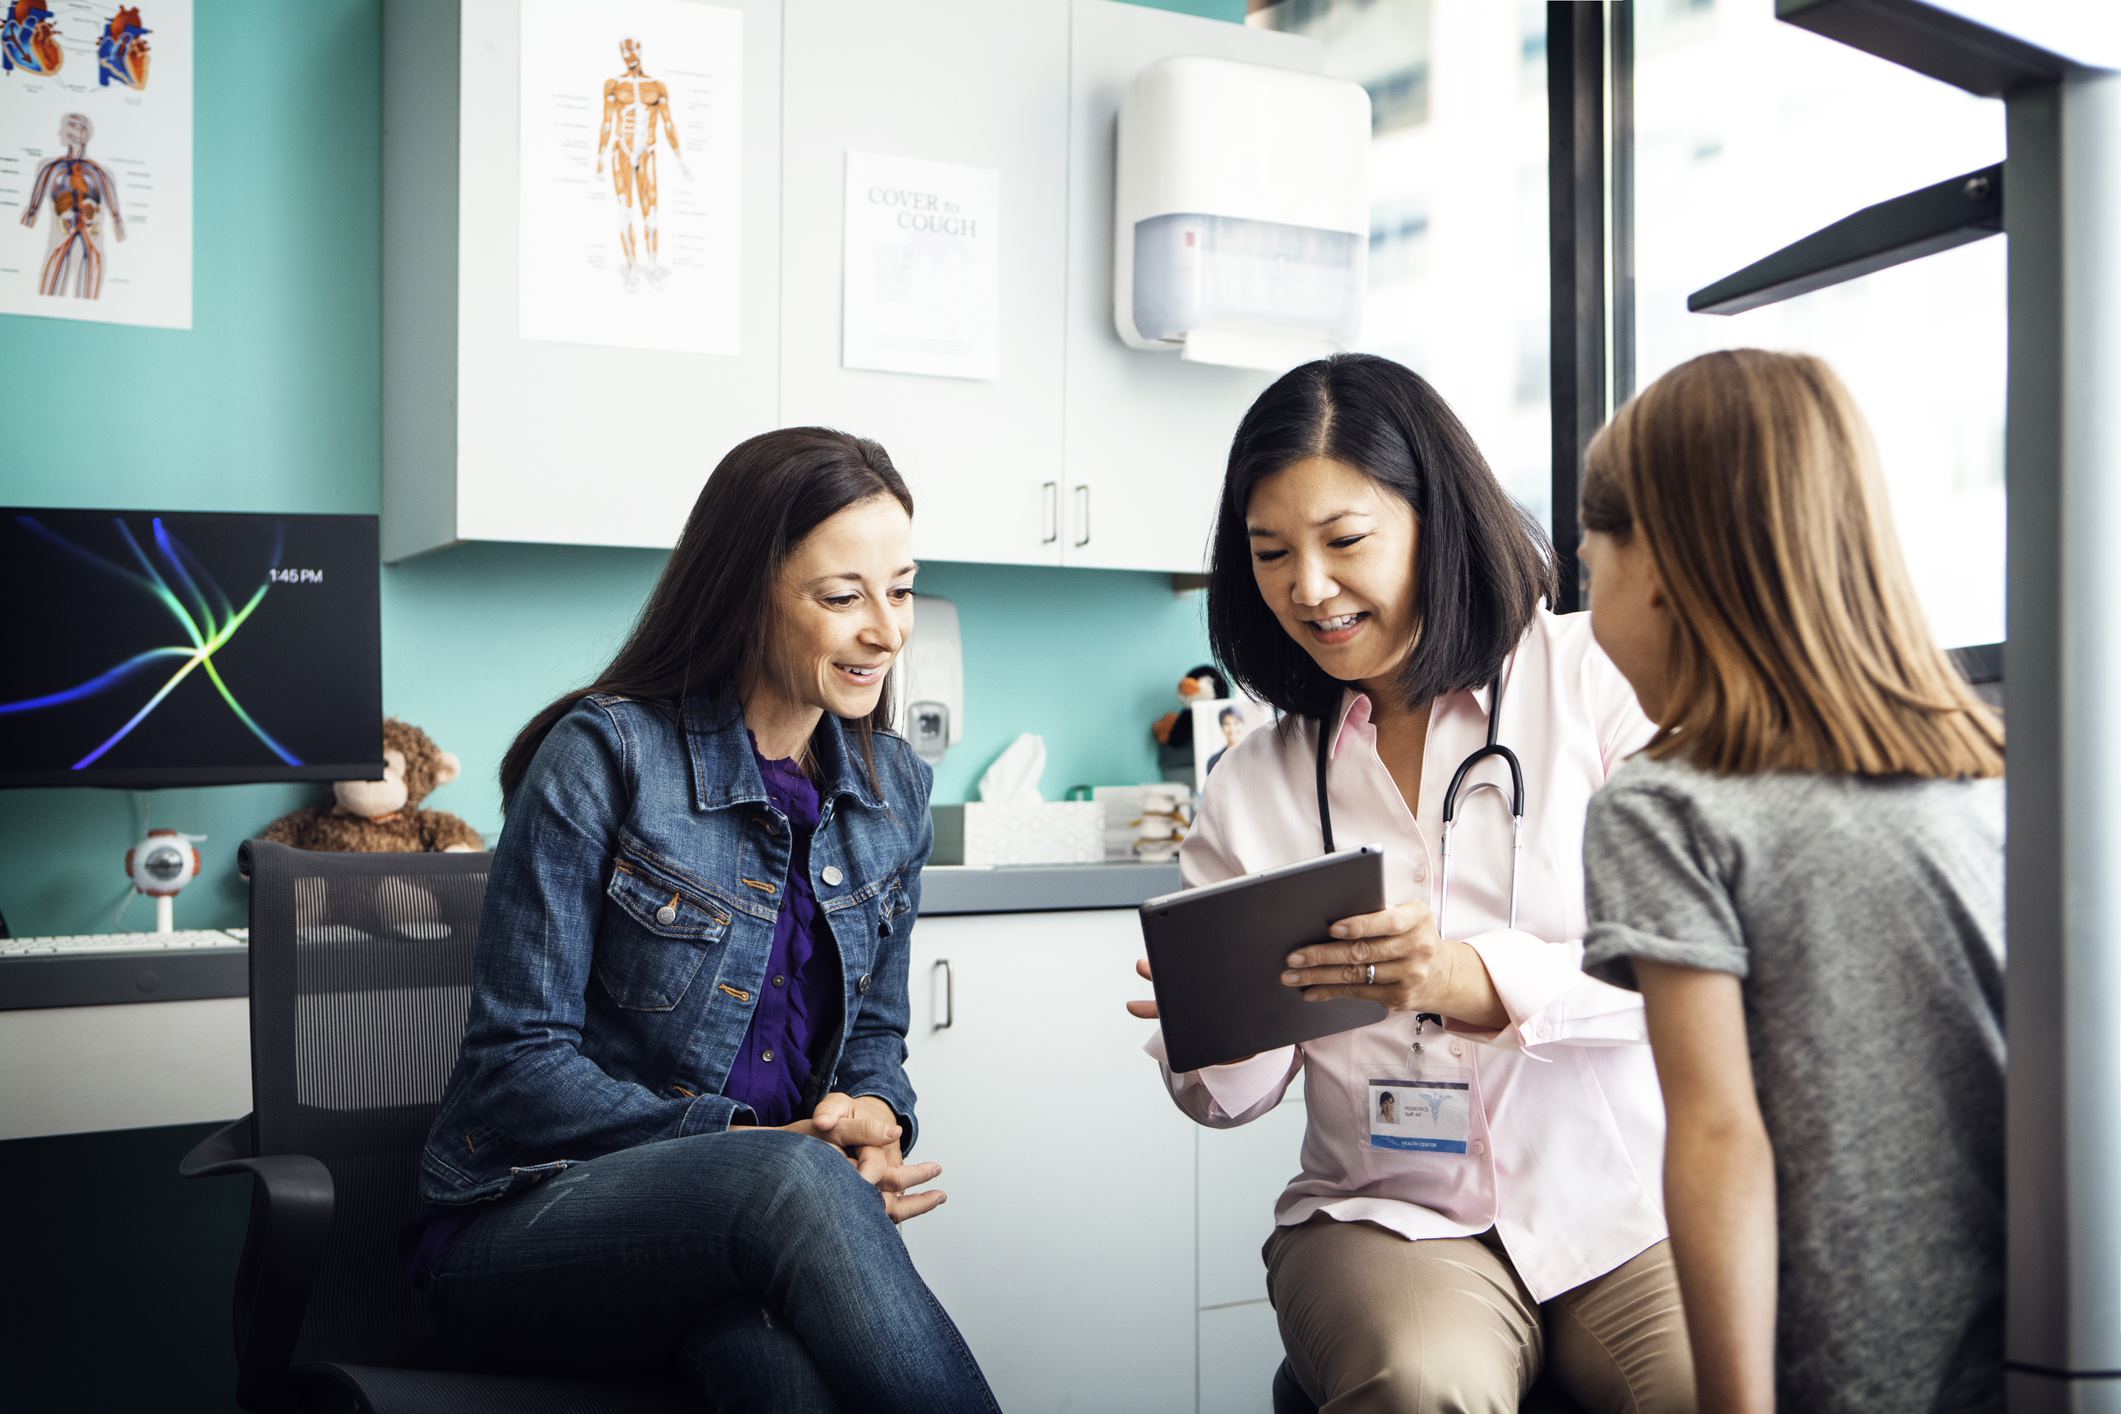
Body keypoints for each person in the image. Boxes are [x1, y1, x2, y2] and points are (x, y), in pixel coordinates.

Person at [1132, 353, 1693, 1413]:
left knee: (1717, 1382)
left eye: (1345, 541)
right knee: (1423, 1384)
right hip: (1387, 1215)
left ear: (1438, 522)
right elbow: (1221, 1100)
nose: (1307, 586)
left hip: (1625, 1206)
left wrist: (1466, 976)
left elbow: (1690, 969)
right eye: (1271, 553)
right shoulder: (1255, 782)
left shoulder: (1598, 685)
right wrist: (1218, 1018)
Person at [409, 428, 999, 1413]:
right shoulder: (604, 758)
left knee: (776, 1375)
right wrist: (762, 1146)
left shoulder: (894, 791)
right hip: (520, 1229)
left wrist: (874, 1117)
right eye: (842, 595)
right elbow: (519, 1067)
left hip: (732, 1249)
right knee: (787, 1185)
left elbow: (878, 1038)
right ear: (745, 590)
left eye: (899, 589)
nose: (889, 632)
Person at [1575, 349, 2006, 1413]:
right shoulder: (1982, 776)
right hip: (2033, 1343)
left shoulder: (1670, 806)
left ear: (1657, 567)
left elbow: (1720, 1135)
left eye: (1589, 566)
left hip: (1854, 1369)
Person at [1204, 703, 1246, 776]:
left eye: (1236, 723)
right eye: (1227, 724)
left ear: (1242, 724)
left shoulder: (1252, 755)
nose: (1232, 728)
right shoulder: (1213, 762)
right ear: (1221, 727)